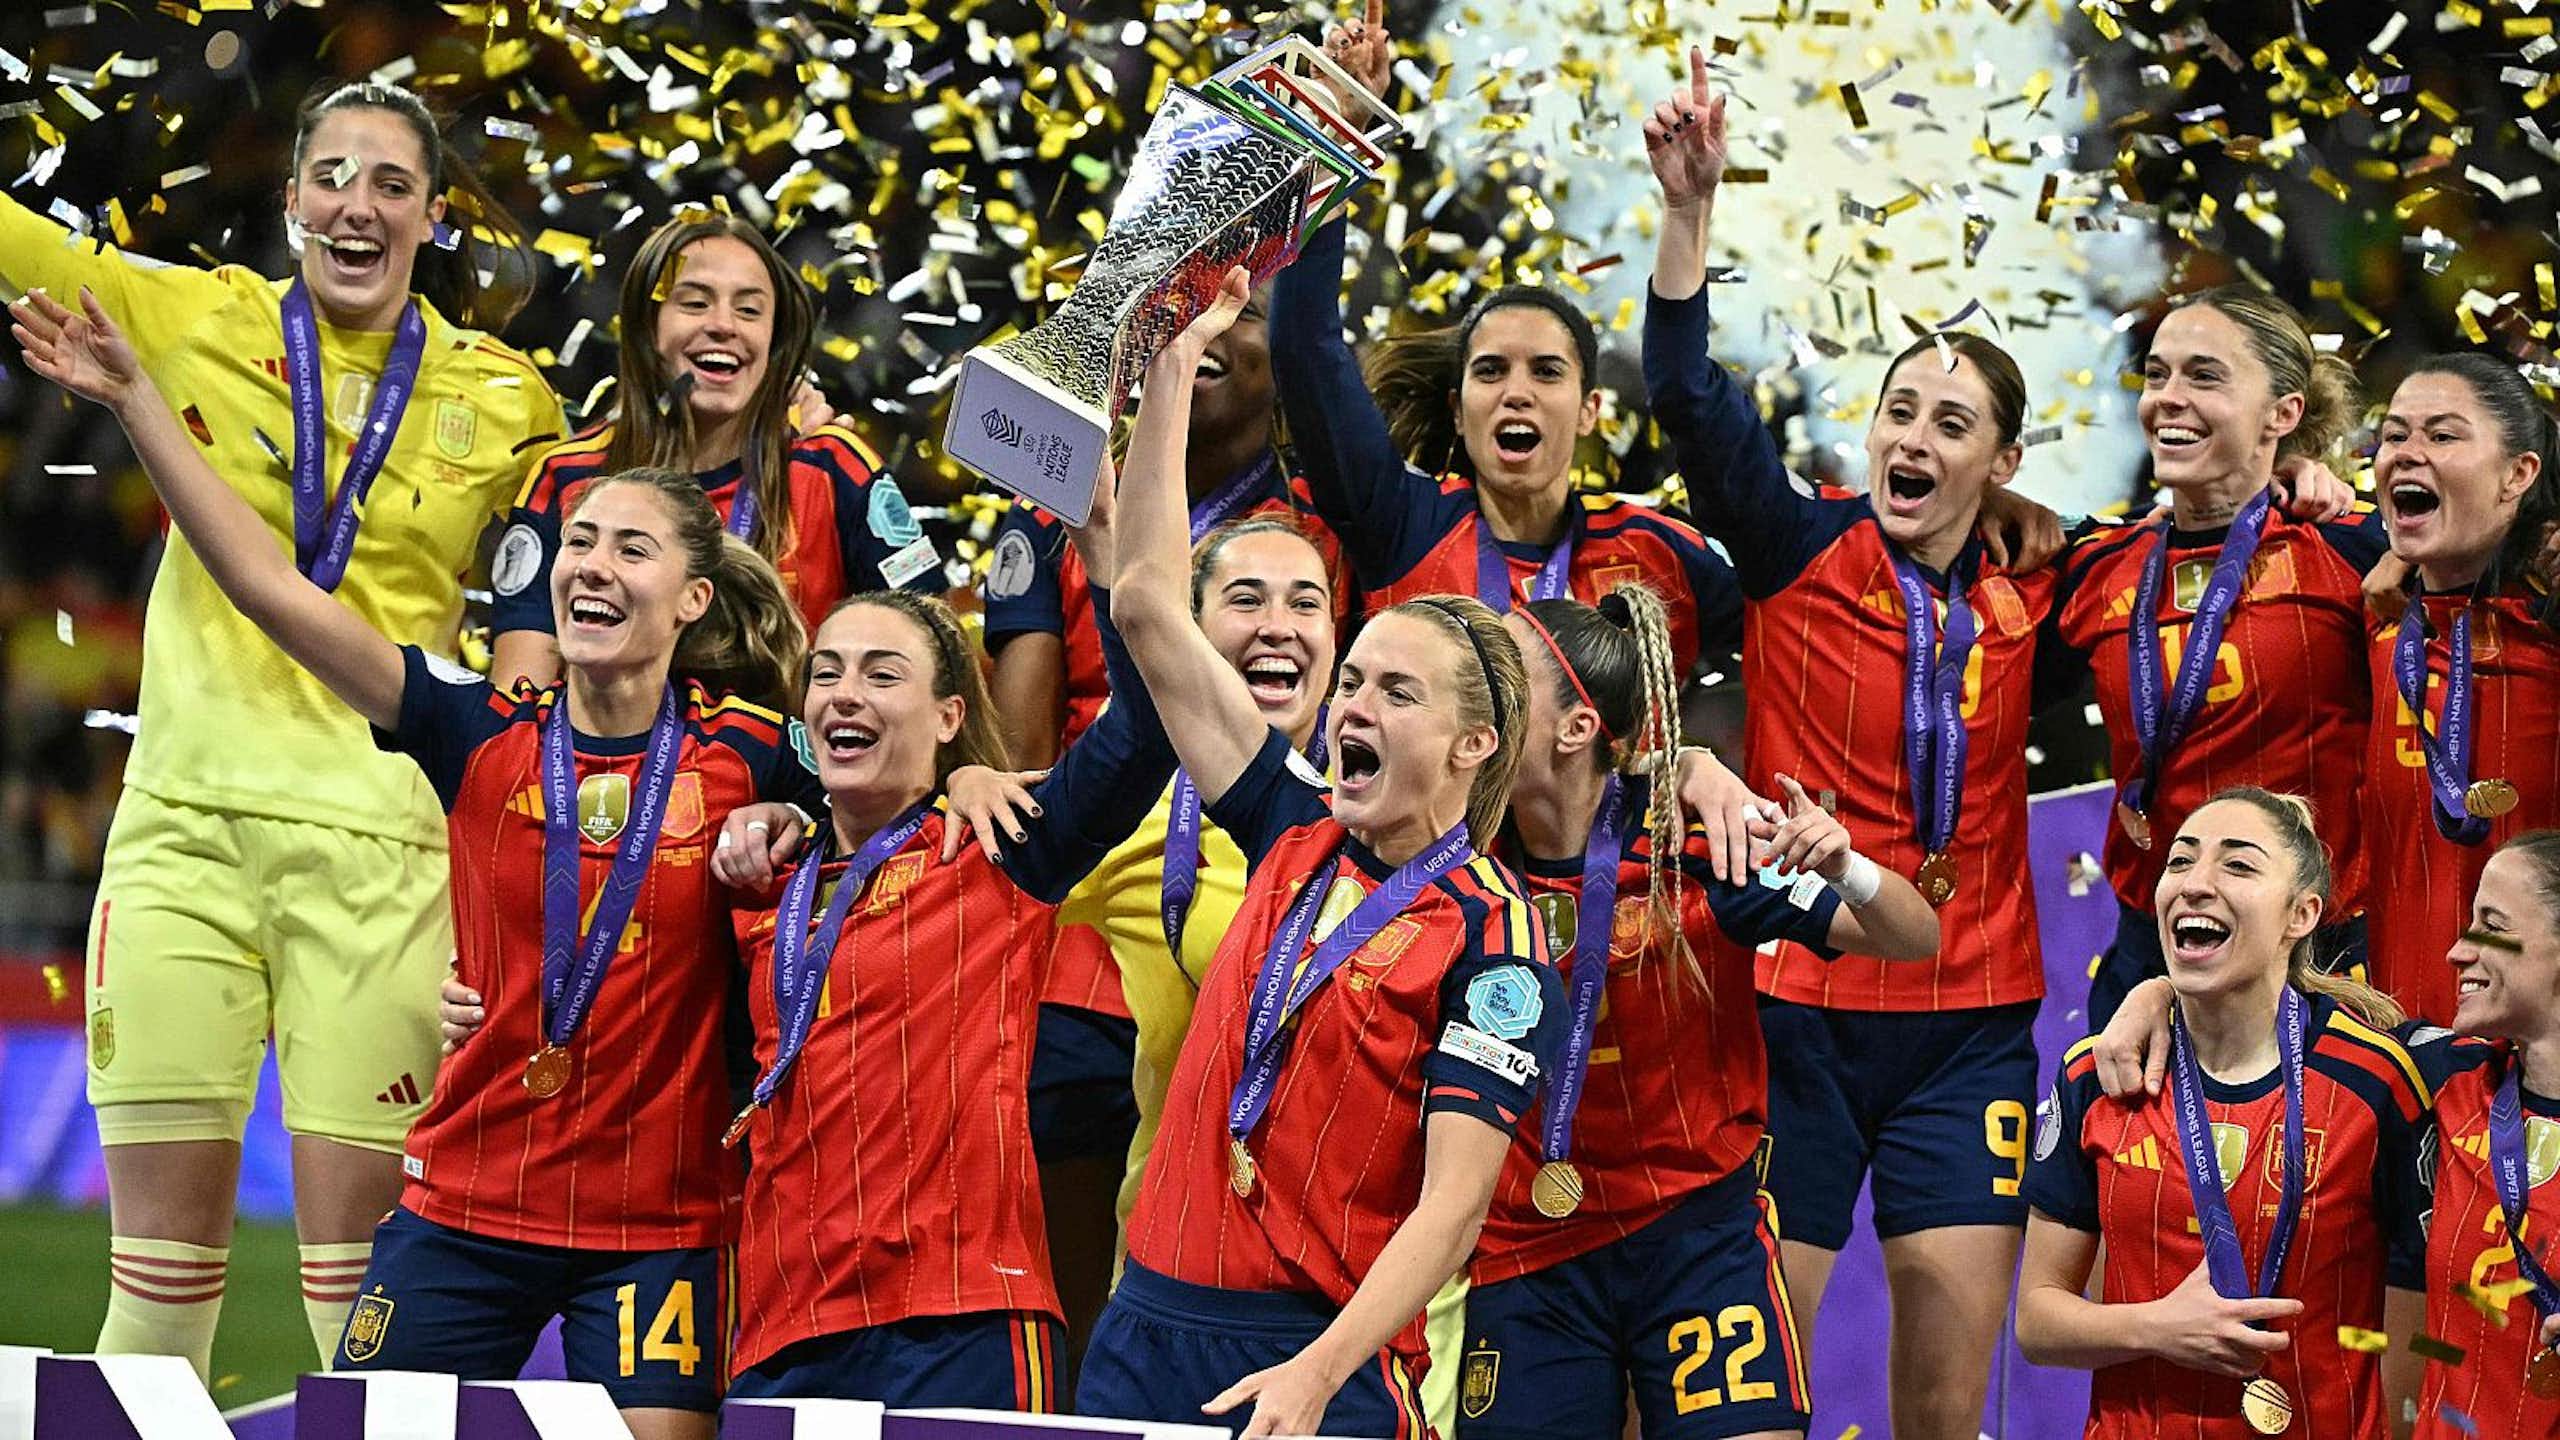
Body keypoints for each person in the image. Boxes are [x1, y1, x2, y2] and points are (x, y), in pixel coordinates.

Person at [15, 291, 811, 1437]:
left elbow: (892, 806)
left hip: (658, 1229)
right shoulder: (473, 724)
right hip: (466, 1213)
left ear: (693, 598)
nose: (592, 566)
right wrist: (140, 402)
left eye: (631, 548)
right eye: (579, 542)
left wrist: (810, 826)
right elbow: (272, 591)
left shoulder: (756, 755)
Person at [1, 80, 563, 1374]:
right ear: (295, 197)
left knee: (359, 1315)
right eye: (333, 176)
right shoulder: (194, 316)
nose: (358, 205)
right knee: (154, 1300)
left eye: (391, 183)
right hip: (182, 836)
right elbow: (17, 242)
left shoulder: (509, 398)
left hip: (386, 861)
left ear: (434, 216)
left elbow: (568, 579)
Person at [1631, 48, 2068, 1436]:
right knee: (1756, 1391)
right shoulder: (1796, 543)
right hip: (1797, 1011)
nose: (1912, 439)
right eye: (1898, 412)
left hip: (1971, 1028)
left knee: (1943, 1404)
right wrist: (1688, 212)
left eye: (1953, 424)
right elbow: (1687, 394)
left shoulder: (2042, 584)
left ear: (2003, 462)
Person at [1072, 269, 1565, 1439]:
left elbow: (1451, 1209)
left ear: (1470, 744)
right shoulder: (1292, 826)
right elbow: (1147, 608)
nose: (1351, 706)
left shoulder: (1494, 938)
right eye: (1353, 680)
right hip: (1143, 1328)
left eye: (1395, 691)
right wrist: (1172, 367)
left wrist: (1316, 1373)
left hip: (1314, 1355)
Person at [1457, 574, 1940, 1440]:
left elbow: (1913, 938)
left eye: (1500, 678)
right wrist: (1680, 758)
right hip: (1530, 1250)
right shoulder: (1455, 851)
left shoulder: (1698, 844)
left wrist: (1844, 865)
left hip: (1696, 1236)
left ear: (1575, 729)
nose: (1473, 696)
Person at [978, 276, 1347, 1373]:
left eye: (1306, 602)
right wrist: (962, 784)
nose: (1277, 625)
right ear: (1196, 638)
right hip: (1170, 1276)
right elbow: (1006, 849)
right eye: (1244, 601)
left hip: (1348, 1298)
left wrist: (1691, 765)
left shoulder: (1394, 824)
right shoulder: (1137, 823)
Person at [710, 578, 1177, 1409]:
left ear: (948, 717)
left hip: (960, 1320)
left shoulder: (995, 849)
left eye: (883, 674)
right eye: (826, 672)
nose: (845, 692)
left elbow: (1144, 731)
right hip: (784, 1325)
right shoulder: (764, 878)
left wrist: (1108, 564)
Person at [1270, 5, 1743, 680]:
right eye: (1490, 371)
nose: (1517, 392)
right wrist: (1336, 125)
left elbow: (1798, 611)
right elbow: (1305, 348)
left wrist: (1688, 210)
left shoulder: (1660, 558)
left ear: (1590, 410)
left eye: (1547, 372)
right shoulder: (1405, 522)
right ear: (1459, 410)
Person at [2016, 789, 2430, 1439]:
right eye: (2180, 862)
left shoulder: (2377, 1081)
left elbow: (2440, 1311)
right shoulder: (2099, 1076)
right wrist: (2158, 1327)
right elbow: (2037, 1323)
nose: (2196, 883)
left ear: (2301, 914)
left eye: (2238, 865)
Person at [2055, 287, 2388, 1030]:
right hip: (2154, 954)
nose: (2168, 398)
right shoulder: (2091, 564)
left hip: (2321, 955)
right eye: (2157, 374)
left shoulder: (2353, 547)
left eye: (2205, 376)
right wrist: (2006, 508)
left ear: (2283, 413)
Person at [490, 211, 936, 691]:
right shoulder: (566, 476)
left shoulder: (832, 466)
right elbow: (519, 696)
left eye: (750, 310)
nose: (724, 325)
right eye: (695, 302)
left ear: (774, 339)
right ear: (647, 327)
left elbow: (930, 652)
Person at [2360, 356, 2560, 1023]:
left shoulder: (2548, 625)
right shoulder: (2373, 619)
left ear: (2518, 474)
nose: (2407, 452)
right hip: (2399, 1039)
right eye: (2394, 435)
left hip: (2535, 1049)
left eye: (2443, 435)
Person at [2409, 831, 2560, 1438]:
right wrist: (2157, 998)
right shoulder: (2449, 1078)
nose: (2456, 951)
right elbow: (2282, 1023)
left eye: (2491, 926)